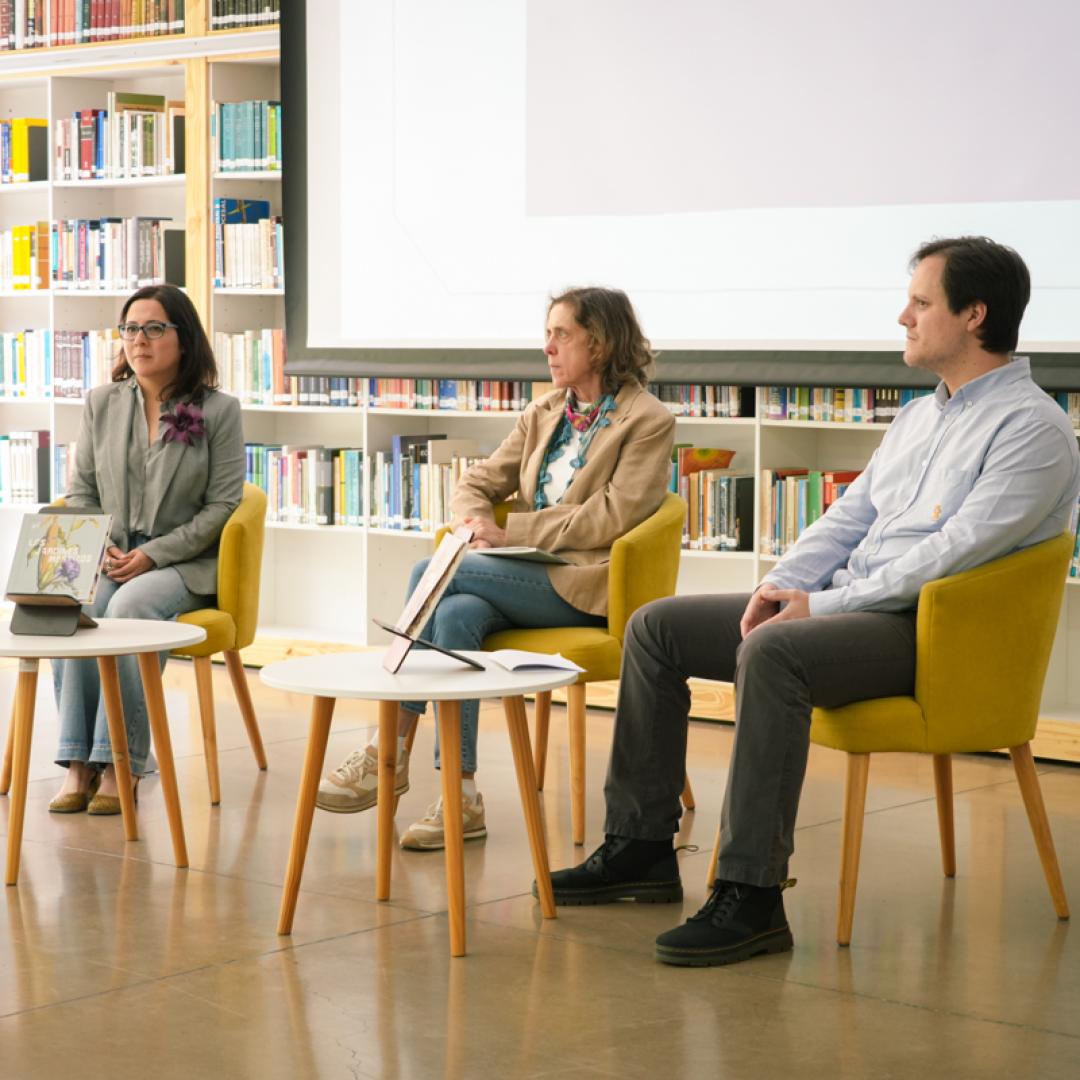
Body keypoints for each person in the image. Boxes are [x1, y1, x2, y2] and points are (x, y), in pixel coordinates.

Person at [544, 237, 1080, 966]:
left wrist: (820, 610)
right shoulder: (922, 417)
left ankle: (752, 895)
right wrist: (781, 584)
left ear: (974, 314)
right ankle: (640, 848)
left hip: (923, 636)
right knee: (656, 627)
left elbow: (954, 555)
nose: (904, 317)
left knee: (774, 651)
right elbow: (850, 517)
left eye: (921, 303)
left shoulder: (1035, 429)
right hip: (849, 608)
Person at [317, 287, 676, 849]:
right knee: (455, 613)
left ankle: (390, 751)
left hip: (587, 584)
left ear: (600, 345)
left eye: (562, 335)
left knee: (429, 574)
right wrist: (477, 522)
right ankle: (462, 796)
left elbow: (614, 515)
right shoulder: (545, 411)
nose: (547, 348)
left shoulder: (648, 420)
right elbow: (475, 483)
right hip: (520, 574)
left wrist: (511, 533)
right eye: (548, 334)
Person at [49, 284, 245, 815]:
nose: (140, 340)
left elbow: (222, 507)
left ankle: (122, 763)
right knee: (79, 606)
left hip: (183, 563)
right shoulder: (101, 403)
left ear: (183, 338)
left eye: (154, 328)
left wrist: (154, 555)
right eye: (131, 328)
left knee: (130, 608)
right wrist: (107, 546)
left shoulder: (218, 411)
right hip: (113, 554)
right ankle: (77, 764)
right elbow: (83, 493)